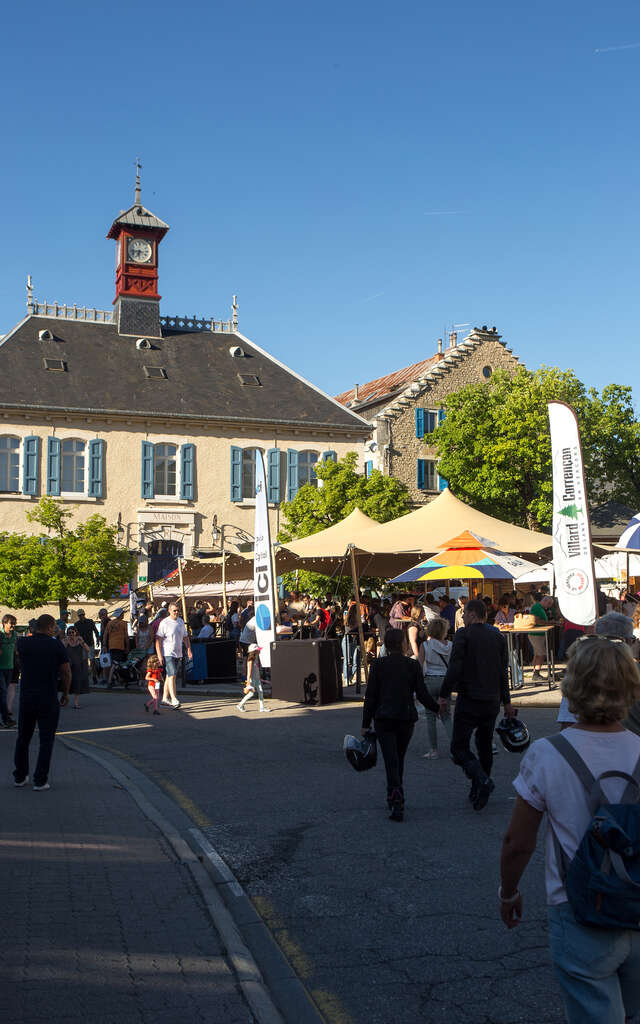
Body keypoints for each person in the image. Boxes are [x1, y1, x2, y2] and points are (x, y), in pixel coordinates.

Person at [499, 635, 640, 1024]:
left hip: (579, 911)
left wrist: (508, 892)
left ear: (571, 686)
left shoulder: (547, 753)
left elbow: (518, 843)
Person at [440, 598, 515, 810]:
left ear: (472, 614)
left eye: (464, 614)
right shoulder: (498, 636)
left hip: (470, 697)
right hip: (491, 699)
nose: (462, 618)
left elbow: (455, 667)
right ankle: (479, 786)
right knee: (484, 745)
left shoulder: (464, 634)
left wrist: (444, 694)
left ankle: (481, 780)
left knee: (458, 746)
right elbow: (503, 672)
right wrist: (507, 701)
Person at [361, 627, 440, 822]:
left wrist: (365, 723)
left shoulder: (378, 665)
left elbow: (370, 697)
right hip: (405, 718)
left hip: (384, 718)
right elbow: (421, 693)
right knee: (399, 758)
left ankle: (395, 796)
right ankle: (396, 792)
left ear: (386, 645)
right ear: (404, 644)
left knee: (391, 760)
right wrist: (437, 708)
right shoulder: (412, 666)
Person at [13, 614, 71, 790]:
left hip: (27, 696)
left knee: (23, 737)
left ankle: (20, 776)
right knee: (46, 740)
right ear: (51, 627)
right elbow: (66, 672)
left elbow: (18, 659)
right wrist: (66, 693)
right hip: (48, 696)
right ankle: (40, 780)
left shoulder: (23, 643)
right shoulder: (56, 645)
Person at [419, 618, 453, 759]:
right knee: (446, 716)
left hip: (430, 680)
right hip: (445, 681)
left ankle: (433, 750)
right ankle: (455, 748)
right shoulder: (451, 645)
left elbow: (420, 666)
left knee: (430, 717)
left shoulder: (425, 645)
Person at [155, 602, 192, 709]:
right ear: (169, 611)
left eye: (178, 610)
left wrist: (189, 650)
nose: (176, 612)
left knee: (169, 676)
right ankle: (174, 699)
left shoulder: (180, 621)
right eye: (174, 610)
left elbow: (185, 637)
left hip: (178, 653)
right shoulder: (164, 623)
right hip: (167, 653)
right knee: (172, 675)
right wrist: (159, 655)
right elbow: (158, 640)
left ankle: (164, 699)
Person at [236, 643, 270, 712]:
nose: (259, 651)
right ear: (254, 651)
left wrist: (260, 678)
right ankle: (240, 705)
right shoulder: (250, 660)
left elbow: (256, 670)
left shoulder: (256, 658)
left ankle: (262, 707)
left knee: (260, 692)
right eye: (258, 650)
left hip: (257, 679)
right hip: (252, 679)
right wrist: (248, 682)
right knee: (251, 694)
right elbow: (249, 672)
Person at [63, 625, 90, 709]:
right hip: (68, 665)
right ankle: (64, 697)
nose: (71, 634)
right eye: (69, 632)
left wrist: (82, 642)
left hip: (78, 665)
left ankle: (76, 702)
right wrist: (66, 642)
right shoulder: (65, 640)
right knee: (66, 683)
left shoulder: (79, 640)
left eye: (72, 632)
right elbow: (61, 650)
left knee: (77, 683)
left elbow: (87, 649)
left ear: (75, 632)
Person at [529, 593, 553, 681]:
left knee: (538, 654)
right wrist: (550, 623)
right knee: (541, 654)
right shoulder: (536, 607)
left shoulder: (539, 607)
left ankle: (535, 673)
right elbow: (536, 620)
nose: (549, 606)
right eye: (549, 604)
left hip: (538, 634)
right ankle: (536, 674)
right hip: (536, 634)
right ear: (545, 601)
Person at [103, 607, 130, 686]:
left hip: (111, 646)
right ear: (121, 614)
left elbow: (105, 635)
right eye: (123, 613)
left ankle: (118, 678)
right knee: (116, 664)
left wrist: (104, 645)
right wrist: (127, 647)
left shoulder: (110, 623)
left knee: (114, 664)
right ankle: (110, 680)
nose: (123, 615)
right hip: (119, 646)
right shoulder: (124, 623)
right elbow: (126, 637)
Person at [0, 614, 18, 728]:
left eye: (14, 623)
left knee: (3, 694)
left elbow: (16, 649)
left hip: (10, 667)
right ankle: (6, 719)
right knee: (2, 693)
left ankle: (5, 719)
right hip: (0, 668)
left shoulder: (15, 634)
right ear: (4, 623)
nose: (13, 625)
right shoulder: (0, 635)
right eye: (11, 623)